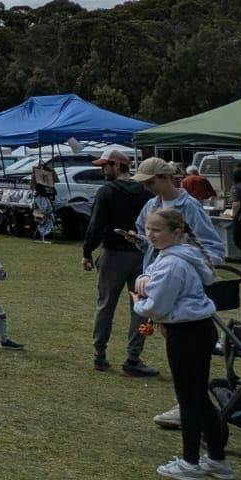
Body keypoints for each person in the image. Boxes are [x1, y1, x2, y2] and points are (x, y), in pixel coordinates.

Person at [132, 207, 233, 480]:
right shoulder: (179, 255)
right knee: (198, 396)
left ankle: (190, 463)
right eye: (148, 229)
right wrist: (144, 280)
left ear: (176, 233)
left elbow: (157, 306)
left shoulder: (173, 263)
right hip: (198, 329)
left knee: (189, 399)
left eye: (157, 230)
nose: (150, 234)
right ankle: (216, 458)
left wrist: (138, 302)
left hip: (186, 333)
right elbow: (151, 275)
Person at [82, 147, 158, 376]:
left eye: (105, 166)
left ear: (116, 166)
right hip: (142, 254)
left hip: (113, 254)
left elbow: (96, 225)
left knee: (105, 305)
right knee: (141, 307)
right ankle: (133, 358)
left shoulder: (107, 191)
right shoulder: (146, 191)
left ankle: (100, 355)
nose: (103, 170)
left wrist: (87, 252)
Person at [132, 158, 226, 266]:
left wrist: (187, 265)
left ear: (165, 177)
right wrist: (140, 240)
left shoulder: (189, 206)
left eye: (150, 183)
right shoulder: (151, 205)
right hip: (155, 273)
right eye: (143, 184)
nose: (146, 188)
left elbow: (213, 249)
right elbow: (148, 242)